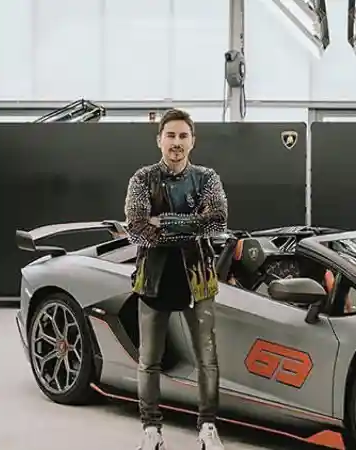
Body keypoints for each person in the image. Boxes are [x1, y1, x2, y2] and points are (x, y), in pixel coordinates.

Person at [124, 109, 228, 450]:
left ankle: (208, 428)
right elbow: (136, 228)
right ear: (160, 140)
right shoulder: (142, 179)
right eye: (171, 135)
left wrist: (162, 222)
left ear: (193, 141)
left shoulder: (207, 178)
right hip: (153, 279)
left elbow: (218, 222)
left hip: (198, 279)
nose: (177, 142)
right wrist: (190, 225)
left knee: (207, 360)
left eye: (183, 136)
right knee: (149, 360)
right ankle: (151, 430)